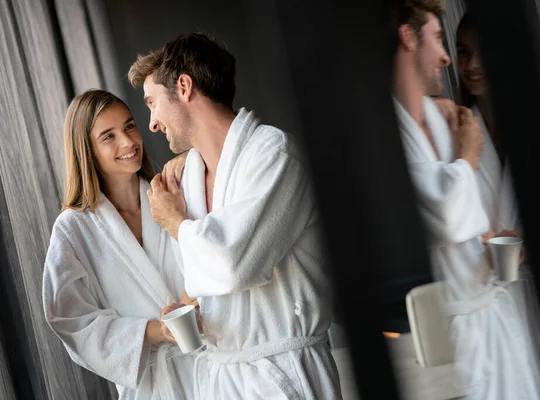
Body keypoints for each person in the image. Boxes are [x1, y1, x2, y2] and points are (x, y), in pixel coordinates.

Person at [128, 33, 342, 399]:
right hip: (223, 378)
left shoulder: (273, 156)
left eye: (152, 103)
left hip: (284, 374)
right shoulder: (190, 175)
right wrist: (188, 307)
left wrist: (175, 224)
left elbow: (232, 263)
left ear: (183, 87)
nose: (151, 123)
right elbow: (208, 279)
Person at [385, 1, 540, 398]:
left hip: (494, 315)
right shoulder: (392, 131)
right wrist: (469, 153)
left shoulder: (443, 117)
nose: (446, 59)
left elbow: (463, 218)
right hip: (455, 334)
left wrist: (494, 240)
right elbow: (444, 213)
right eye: (441, 40)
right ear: (408, 37)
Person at [42, 90, 202, 400]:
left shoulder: (170, 192)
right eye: (109, 136)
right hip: (154, 388)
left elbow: (208, 255)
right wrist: (156, 330)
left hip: (213, 368)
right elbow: (71, 322)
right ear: (86, 150)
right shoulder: (74, 229)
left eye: (129, 126)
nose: (128, 142)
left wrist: (191, 158)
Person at [449, 10, 540, 272]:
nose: (472, 64)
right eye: (464, 52)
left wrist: (531, 252)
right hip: (484, 288)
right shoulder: (455, 131)